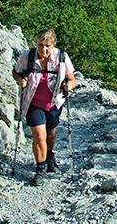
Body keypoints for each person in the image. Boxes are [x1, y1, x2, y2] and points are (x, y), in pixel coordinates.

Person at [12, 28, 76, 185]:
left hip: (54, 103)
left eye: (47, 45)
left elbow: (72, 79)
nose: (44, 49)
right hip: (33, 102)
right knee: (39, 136)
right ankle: (40, 170)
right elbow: (16, 72)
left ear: (53, 45)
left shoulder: (61, 58)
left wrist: (69, 85)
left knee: (50, 133)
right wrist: (20, 80)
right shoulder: (28, 56)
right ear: (36, 43)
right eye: (41, 45)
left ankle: (49, 155)